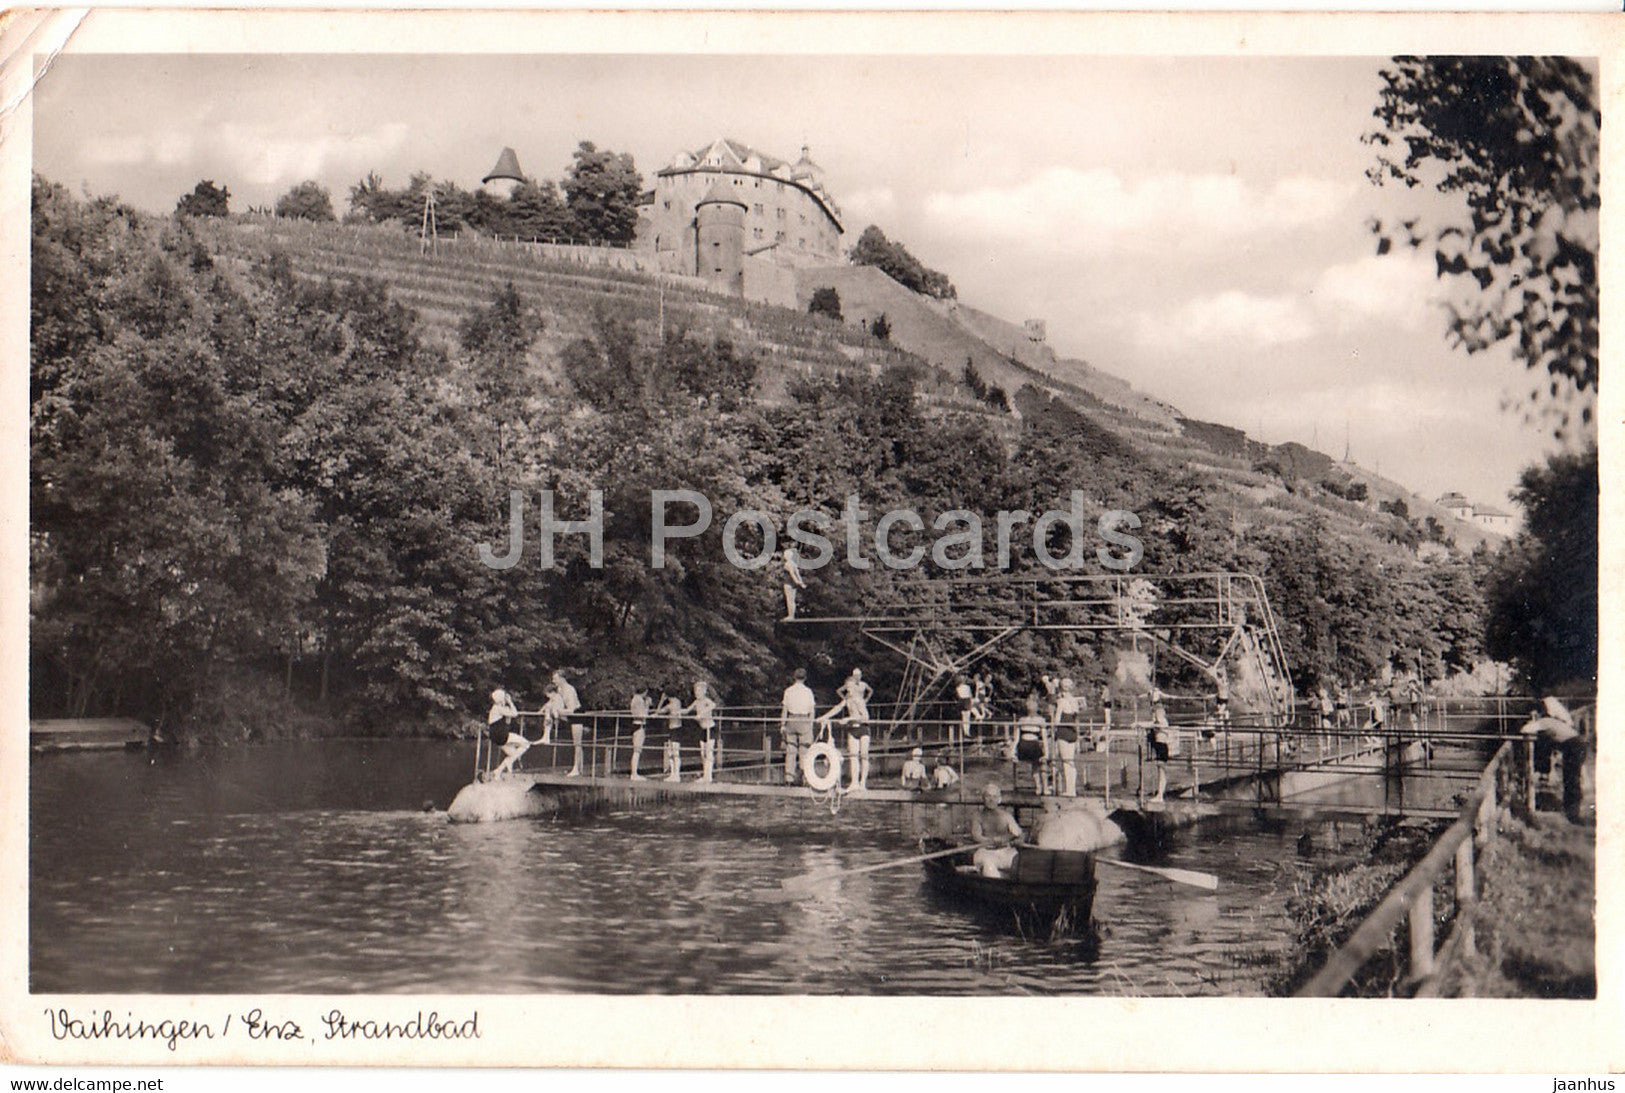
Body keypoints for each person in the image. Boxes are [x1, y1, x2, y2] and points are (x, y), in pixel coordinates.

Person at [1523, 697, 1588, 823]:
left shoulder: (1545, 721)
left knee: (1571, 779)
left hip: (1574, 747)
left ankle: (1573, 815)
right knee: (1572, 778)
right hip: (1577, 744)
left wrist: (1533, 723)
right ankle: (1572, 811)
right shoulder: (1556, 721)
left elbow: (1525, 729)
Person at [820, 667, 874, 793]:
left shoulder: (859, 701)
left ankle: (863, 783)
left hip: (863, 729)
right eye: (847, 688)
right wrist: (823, 717)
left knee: (863, 756)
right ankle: (854, 782)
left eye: (850, 688)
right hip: (852, 730)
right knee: (853, 756)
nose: (849, 690)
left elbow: (865, 717)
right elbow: (836, 709)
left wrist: (848, 718)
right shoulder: (847, 700)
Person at [970, 783, 1023, 878]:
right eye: (988, 796)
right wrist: (993, 840)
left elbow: (1017, 832)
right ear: (983, 798)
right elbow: (976, 836)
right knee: (988, 864)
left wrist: (1007, 838)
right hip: (986, 852)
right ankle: (997, 884)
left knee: (1018, 860)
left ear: (999, 799)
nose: (991, 800)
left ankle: (1012, 883)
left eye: (995, 797)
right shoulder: (977, 816)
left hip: (1005, 851)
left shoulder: (1006, 815)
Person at [779, 667, 817, 783]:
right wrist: (811, 724)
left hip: (792, 719)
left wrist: (782, 724)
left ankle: (789, 777)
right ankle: (805, 776)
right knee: (804, 750)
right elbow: (812, 710)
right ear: (805, 678)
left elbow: (784, 710)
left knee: (791, 749)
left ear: (794, 677)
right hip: (804, 720)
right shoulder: (808, 691)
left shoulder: (788, 691)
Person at [679, 680, 718, 782]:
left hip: (710, 729)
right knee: (702, 752)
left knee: (709, 752)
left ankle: (708, 776)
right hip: (702, 729)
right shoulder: (696, 702)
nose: (697, 693)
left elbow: (713, 705)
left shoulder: (706, 701)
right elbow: (687, 710)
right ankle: (705, 774)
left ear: (704, 691)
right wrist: (677, 712)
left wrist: (702, 714)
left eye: (699, 691)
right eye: (696, 691)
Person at [1052, 677, 1084, 797]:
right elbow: (1076, 718)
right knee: (1071, 761)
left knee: (1066, 762)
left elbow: (1057, 719)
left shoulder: (1062, 701)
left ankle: (1069, 790)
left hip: (1063, 732)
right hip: (1072, 732)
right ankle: (1072, 788)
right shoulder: (1074, 701)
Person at [1014, 693, 1049, 796]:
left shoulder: (1021, 720)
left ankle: (1038, 787)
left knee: (1035, 765)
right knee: (1041, 764)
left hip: (1023, 746)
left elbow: (1016, 739)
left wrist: (1013, 752)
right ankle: (1044, 787)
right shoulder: (1040, 720)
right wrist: (1046, 753)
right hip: (1032, 746)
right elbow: (1045, 739)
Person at [486, 685, 524, 776]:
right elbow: (515, 714)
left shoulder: (495, 708)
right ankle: (503, 767)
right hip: (501, 735)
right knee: (526, 744)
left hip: (495, 736)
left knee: (513, 755)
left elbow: (508, 721)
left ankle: (498, 771)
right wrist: (510, 702)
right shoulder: (498, 708)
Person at [554, 670, 584, 777]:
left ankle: (576, 768)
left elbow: (571, 709)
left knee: (577, 743)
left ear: (562, 679)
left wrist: (558, 711)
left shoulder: (569, 690)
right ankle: (579, 768)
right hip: (568, 714)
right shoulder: (559, 689)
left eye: (556, 679)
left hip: (576, 714)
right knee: (576, 743)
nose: (554, 681)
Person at [1145, 699, 1172, 803]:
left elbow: (1159, 725)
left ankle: (1160, 795)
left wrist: (1153, 724)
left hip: (1162, 747)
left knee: (1162, 772)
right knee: (1160, 771)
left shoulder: (1163, 722)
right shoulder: (1158, 721)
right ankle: (1159, 794)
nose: (1155, 715)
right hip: (1159, 746)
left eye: (1156, 713)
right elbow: (1151, 723)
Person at [659, 691, 684, 781]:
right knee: (671, 751)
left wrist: (661, 701)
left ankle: (676, 774)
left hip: (675, 728)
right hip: (675, 728)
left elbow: (658, 711)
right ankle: (674, 774)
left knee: (674, 752)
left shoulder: (671, 705)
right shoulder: (678, 702)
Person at [628, 686, 652, 780]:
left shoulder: (635, 699)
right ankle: (634, 774)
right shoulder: (639, 700)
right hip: (639, 725)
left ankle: (634, 773)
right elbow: (643, 715)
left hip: (636, 724)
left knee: (636, 750)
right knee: (637, 750)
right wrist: (647, 705)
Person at [781, 547, 807, 621]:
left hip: (788, 583)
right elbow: (798, 574)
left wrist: (797, 582)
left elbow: (792, 574)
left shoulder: (787, 564)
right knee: (792, 600)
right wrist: (801, 583)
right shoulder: (793, 564)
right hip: (793, 584)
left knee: (789, 600)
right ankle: (791, 615)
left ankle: (790, 616)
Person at [953, 675, 975, 745]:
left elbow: (958, 696)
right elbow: (970, 695)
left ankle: (965, 732)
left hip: (961, 701)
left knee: (964, 717)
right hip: (966, 701)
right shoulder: (967, 687)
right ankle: (967, 732)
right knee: (967, 718)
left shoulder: (957, 688)